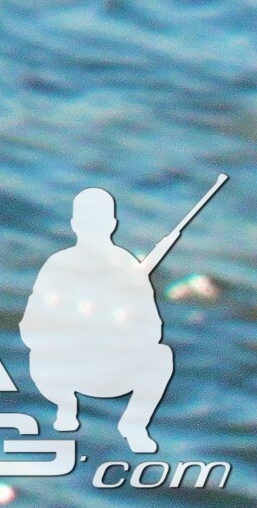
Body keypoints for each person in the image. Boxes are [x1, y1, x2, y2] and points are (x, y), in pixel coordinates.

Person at [24, 188, 178, 453]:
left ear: (112, 224)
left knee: (161, 356)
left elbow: (152, 330)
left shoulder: (127, 267)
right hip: (64, 367)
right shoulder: (59, 264)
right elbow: (31, 326)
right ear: (75, 224)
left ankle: (134, 425)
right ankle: (66, 409)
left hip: (110, 365)